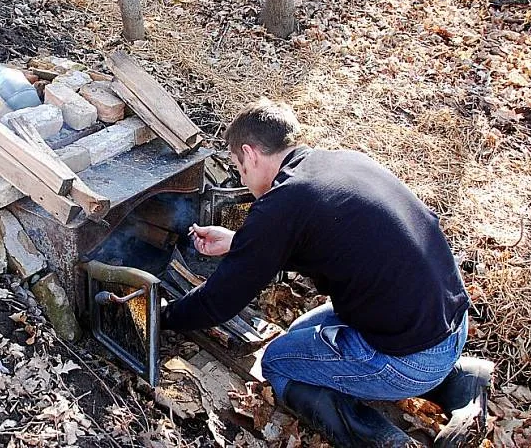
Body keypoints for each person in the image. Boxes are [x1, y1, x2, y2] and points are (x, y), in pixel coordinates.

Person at [161, 98, 493, 448]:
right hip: (448, 322)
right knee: (299, 333)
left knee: (279, 362)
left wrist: (162, 316)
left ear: (251, 153)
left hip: (411, 354)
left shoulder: (283, 202)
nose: (244, 180)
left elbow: (218, 303)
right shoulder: (338, 163)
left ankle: (385, 440)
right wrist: (239, 242)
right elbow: (328, 241)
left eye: (240, 169)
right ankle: (462, 379)